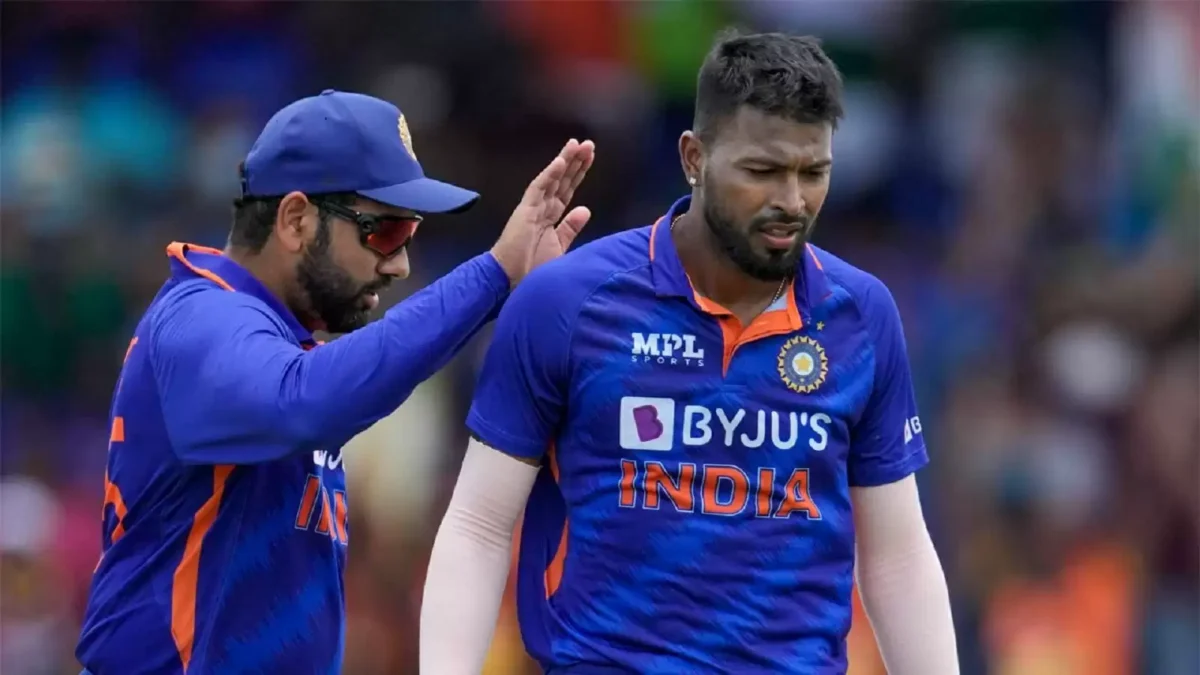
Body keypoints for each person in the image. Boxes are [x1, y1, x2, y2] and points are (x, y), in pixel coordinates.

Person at [421, 30, 958, 674]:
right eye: (762, 171)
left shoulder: (862, 316)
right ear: (694, 157)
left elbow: (898, 556)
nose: (791, 202)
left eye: (813, 173)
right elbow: (479, 526)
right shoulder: (566, 302)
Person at [75, 89, 595, 675]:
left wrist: (518, 293)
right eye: (384, 231)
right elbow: (301, 400)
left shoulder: (282, 344)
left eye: (410, 234)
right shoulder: (199, 317)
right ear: (295, 219)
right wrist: (493, 275)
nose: (399, 264)